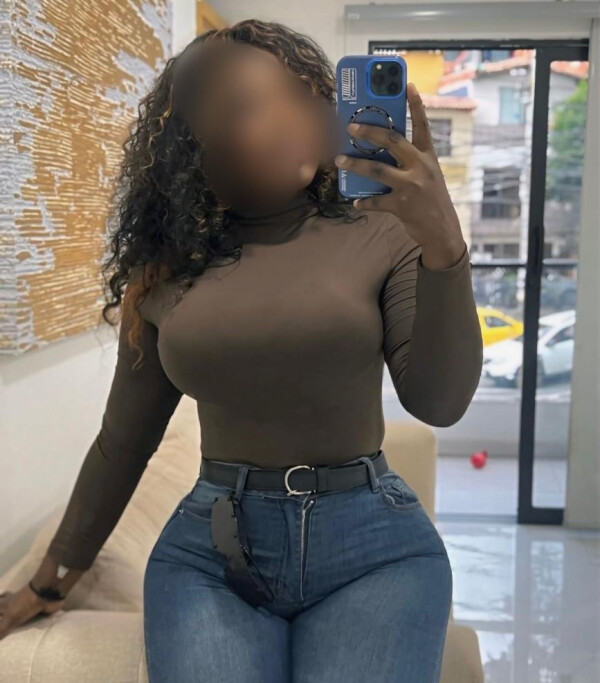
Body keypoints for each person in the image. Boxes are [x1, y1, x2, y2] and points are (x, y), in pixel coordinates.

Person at [0, 18, 483, 683]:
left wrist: (443, 244)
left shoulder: (383, 231)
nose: (291, 119)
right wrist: (48, 580)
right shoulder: (162, 275)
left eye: (302, 93)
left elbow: (441, 401)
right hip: (213, 559)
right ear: (191, 144)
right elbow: (123, 441)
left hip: (375, 552)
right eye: (249, 105)